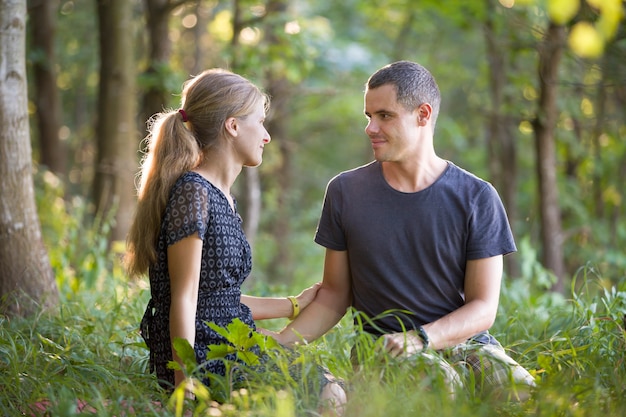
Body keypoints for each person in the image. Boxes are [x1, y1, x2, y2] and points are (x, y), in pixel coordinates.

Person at [271, 61, 536, 399]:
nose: (370, 128)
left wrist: (421, 338)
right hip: (383, 351)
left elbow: (483, 306)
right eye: (368, 116)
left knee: (524, 395)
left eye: (385, 115)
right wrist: (281, 342)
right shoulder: (345, 192)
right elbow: (335, 296)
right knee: (441, 387)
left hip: (463, 342)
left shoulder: (477, 196)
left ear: (423, 115)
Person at [124, 68, 346, 411]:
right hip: (208, 357)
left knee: (341, 386)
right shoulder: (193, 193)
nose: (267, 136)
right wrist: (187, 394)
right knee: (331, 396)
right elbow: (184, 301)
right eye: (260, 122)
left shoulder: (222, 198)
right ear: (233, 125)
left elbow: (218, 299)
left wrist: (292, 305)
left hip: (231, 342)